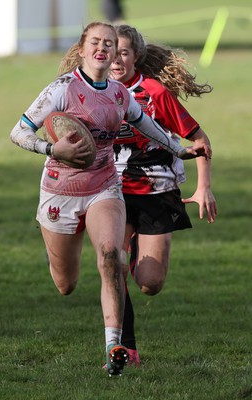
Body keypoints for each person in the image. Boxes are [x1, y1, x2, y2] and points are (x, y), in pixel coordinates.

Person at [10, 22, 211, 376]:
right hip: (61, 191)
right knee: (65, 284)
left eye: (110, 44)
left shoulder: (120, 93)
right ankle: (55, 253)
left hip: (106, 186)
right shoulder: (61, 89)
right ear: (83, 49)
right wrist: (50, 147)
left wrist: (179, 151)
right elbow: (18, 131)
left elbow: (146, 124)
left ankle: (115, 348)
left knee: (110, 257)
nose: (104, 49)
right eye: (97, 43)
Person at [109, 24, 217, 365]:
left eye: (124, 52)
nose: (116, 59)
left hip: (157, 191)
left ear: (136, 56)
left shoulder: (153, 92)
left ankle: (141, 242)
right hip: (111, 193)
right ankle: (125, 348)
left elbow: (200, 141)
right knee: (113, 266)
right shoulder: (93, 92)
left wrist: (204, 188)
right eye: (111, 51)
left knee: (150, 283)